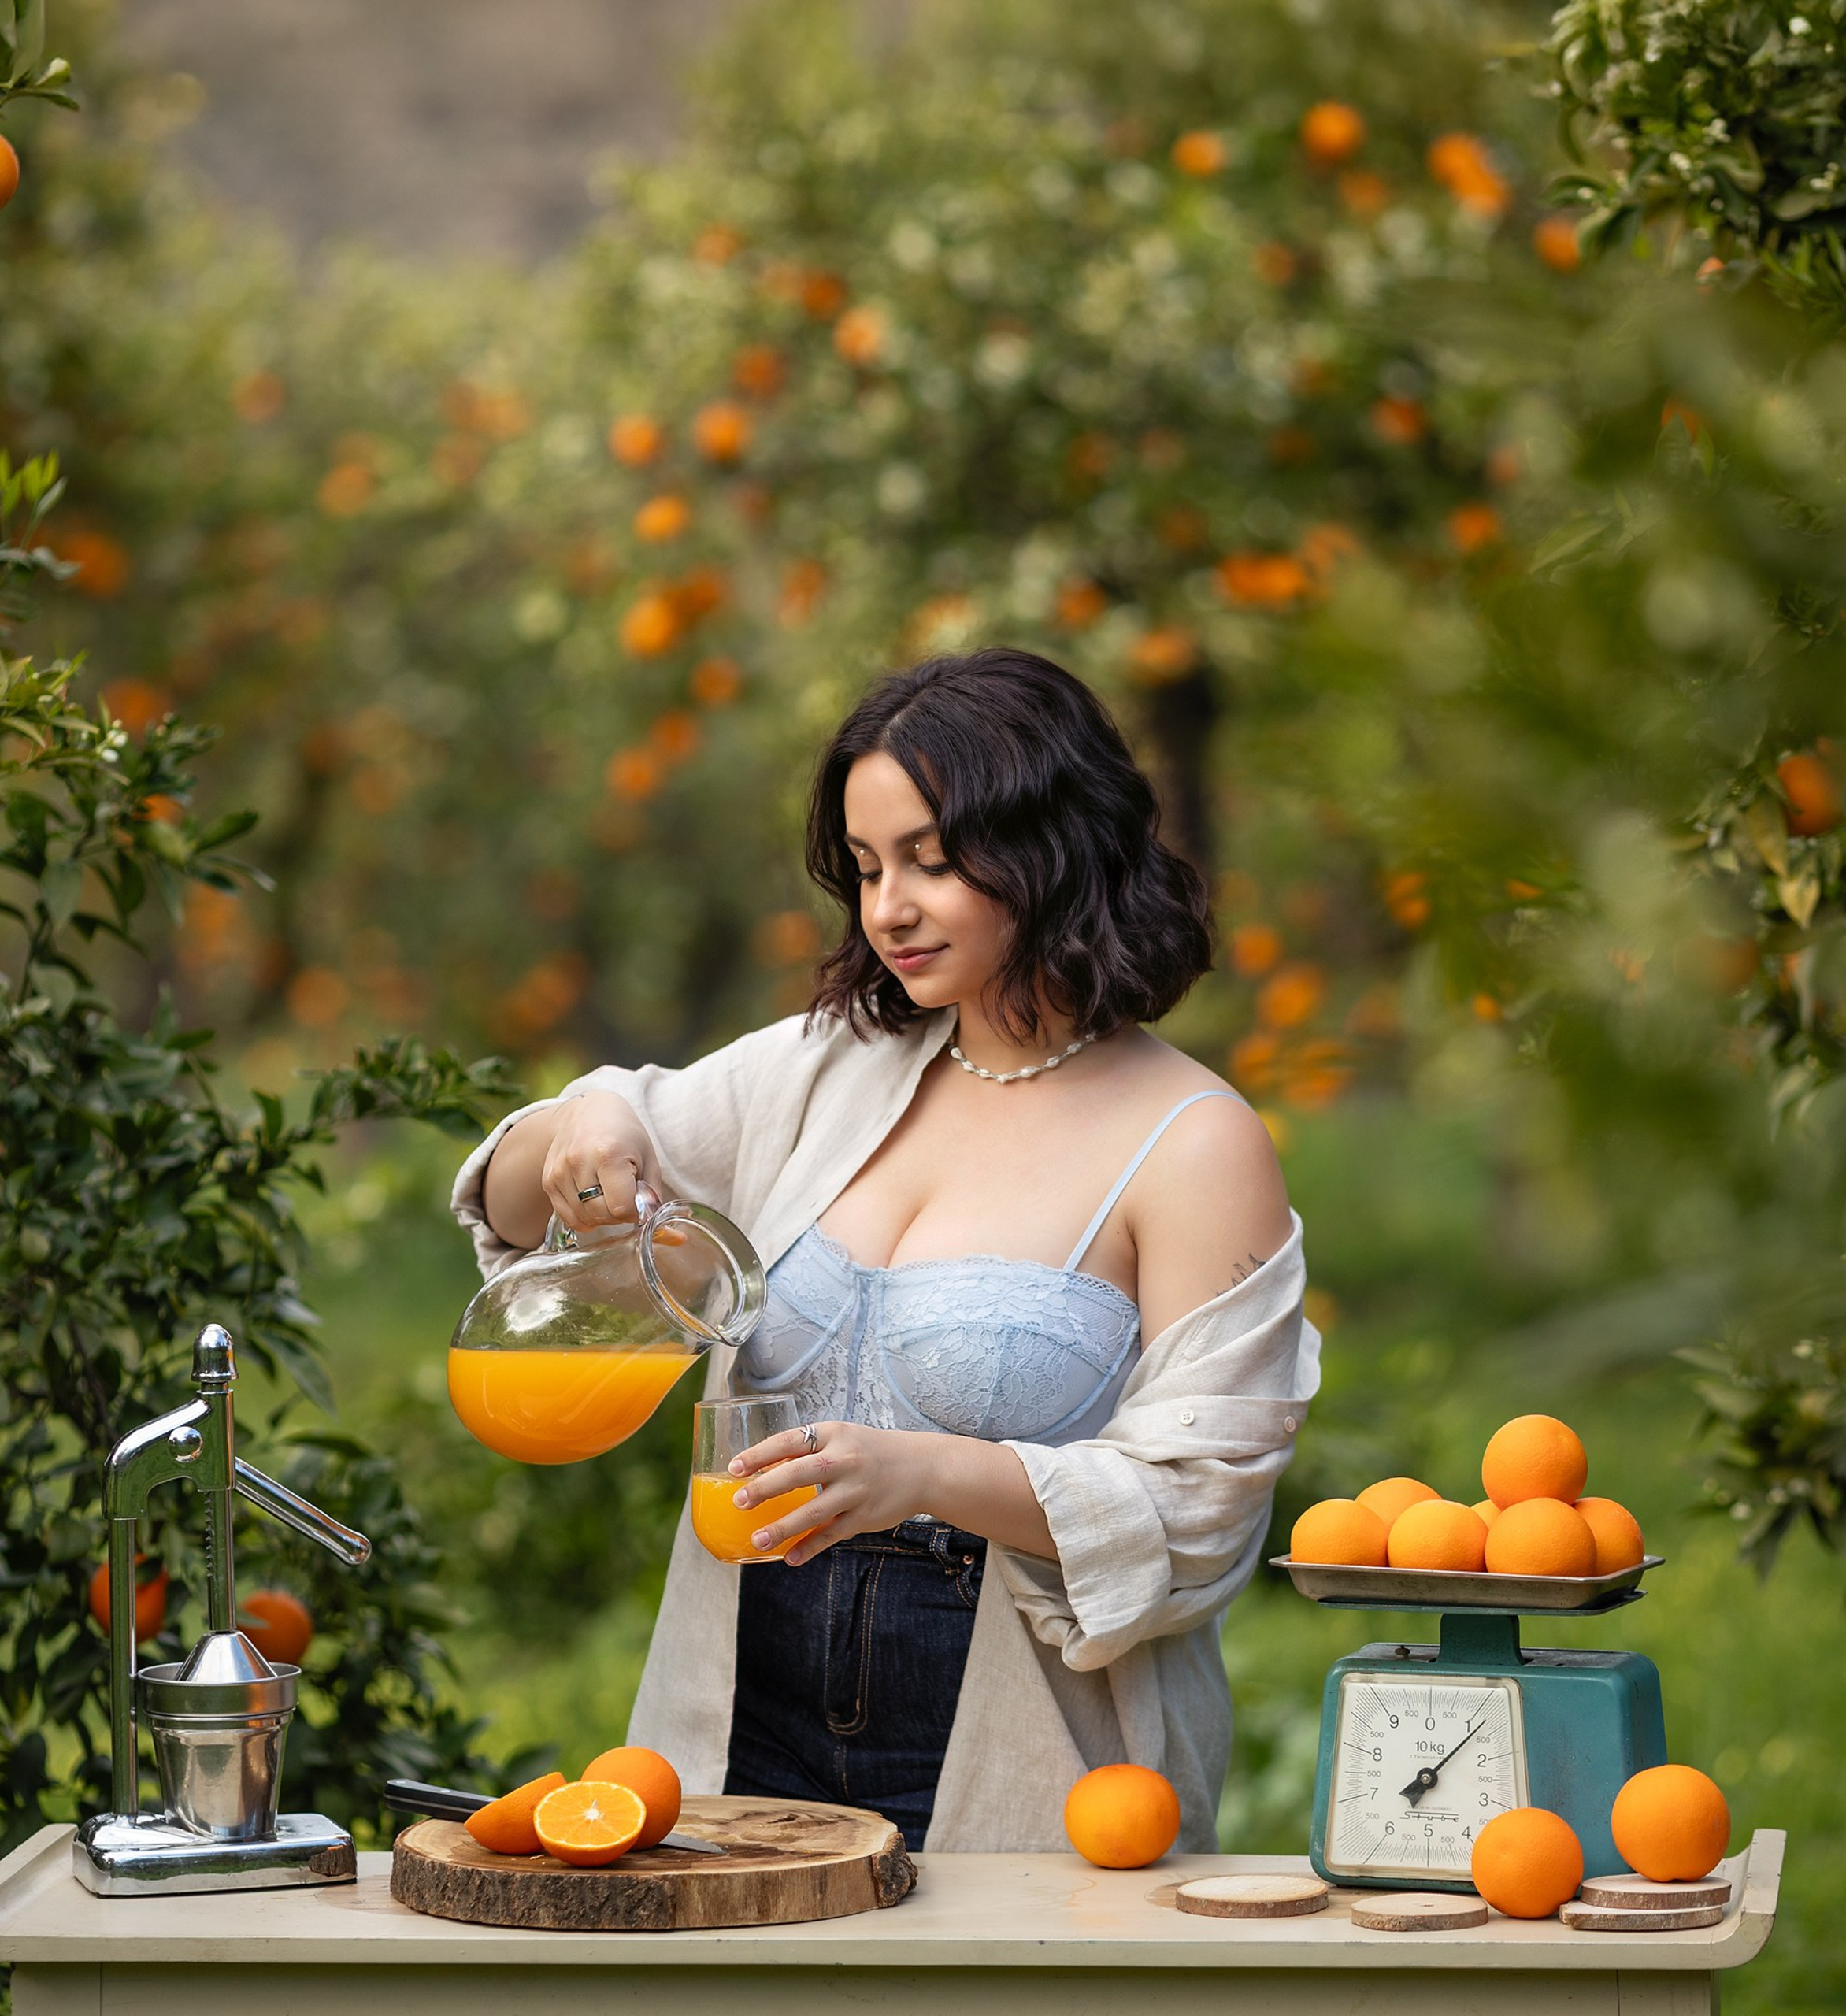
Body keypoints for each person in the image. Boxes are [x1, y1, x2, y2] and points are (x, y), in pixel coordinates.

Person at [452, 647, 1321, 1852]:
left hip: (1017, 1748)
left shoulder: (1192, 1142)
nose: (888, 910)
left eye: (932, 859)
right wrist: (576, 1126)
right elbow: (524, 1195)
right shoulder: (826, 1066)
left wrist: (921, 1474)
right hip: (736, 1724)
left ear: (1053, 844)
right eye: (865, 868)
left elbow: (1202, 1507)